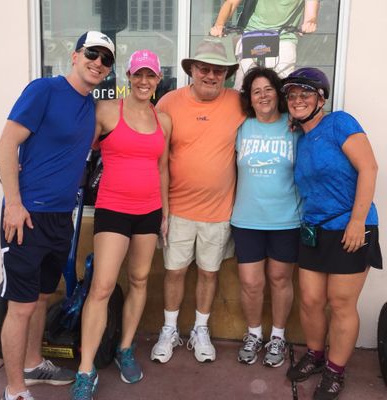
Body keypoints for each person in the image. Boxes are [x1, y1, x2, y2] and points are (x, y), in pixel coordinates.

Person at [0, 31, 115, 400]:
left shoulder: (91, 107)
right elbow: (7, 143)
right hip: (27, 215)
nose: (98, 63)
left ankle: (33, 365)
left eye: (106, 59)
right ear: (75, 56)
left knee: (42, 298)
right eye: (92, 54)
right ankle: (15, 389)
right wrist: (14, 203)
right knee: (20, 306)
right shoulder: (44, 90)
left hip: (62, 218)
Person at [71, 50, 171, 399]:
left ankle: (125, 347)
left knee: (140, 279)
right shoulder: (107, 110)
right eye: (138, 74)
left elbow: (162, 169)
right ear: (128, 76)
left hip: (149, 210)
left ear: (158, 79)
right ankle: (86, 369)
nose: (144, 81)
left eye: (150, 75)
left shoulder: (163, 120)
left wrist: (165, 213)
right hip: (113, 208)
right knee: (102, 286)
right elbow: (77, 149)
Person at [281, 68, 382, 400]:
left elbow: (369, 167)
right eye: (292, 96)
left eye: (305, 94)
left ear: (321, 99)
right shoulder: (301, 138)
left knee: (341, 303)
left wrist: (357, 221)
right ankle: (316, 355)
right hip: (314, 228)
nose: (298, 100)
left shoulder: (340, 123)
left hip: (350, 227)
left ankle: (335, 371)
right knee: (311, 300)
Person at [150, 38, 245, 364]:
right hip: (177, 209)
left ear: (226, 74)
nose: (211, 75)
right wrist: (161, 210)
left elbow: (269, 116)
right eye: (204, 68)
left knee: (209, 273)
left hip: (219, 212)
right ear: (192, 70)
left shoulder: (239, 103)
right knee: (174, 272)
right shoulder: (168, 103)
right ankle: (169, 329)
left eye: (218, 70)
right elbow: (155, 156)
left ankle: (200, 330)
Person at [231, 66, 300, 368]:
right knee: (250, 282)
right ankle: (254, 334)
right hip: (247, 219)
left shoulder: (293, 126)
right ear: (249, 98)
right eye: (256, 91)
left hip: (286, 219)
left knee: (280, 279)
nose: (263, 96)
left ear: (277, 93)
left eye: (268, 89)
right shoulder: (241, 127)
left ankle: (278, 337)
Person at [210, 0, 320, 89]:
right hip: (251, 34)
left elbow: (311, 13)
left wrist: (309, 23)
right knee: (242, 84)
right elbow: (231, 3)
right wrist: (219, 24)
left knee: (283, 85)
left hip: (283, 37)